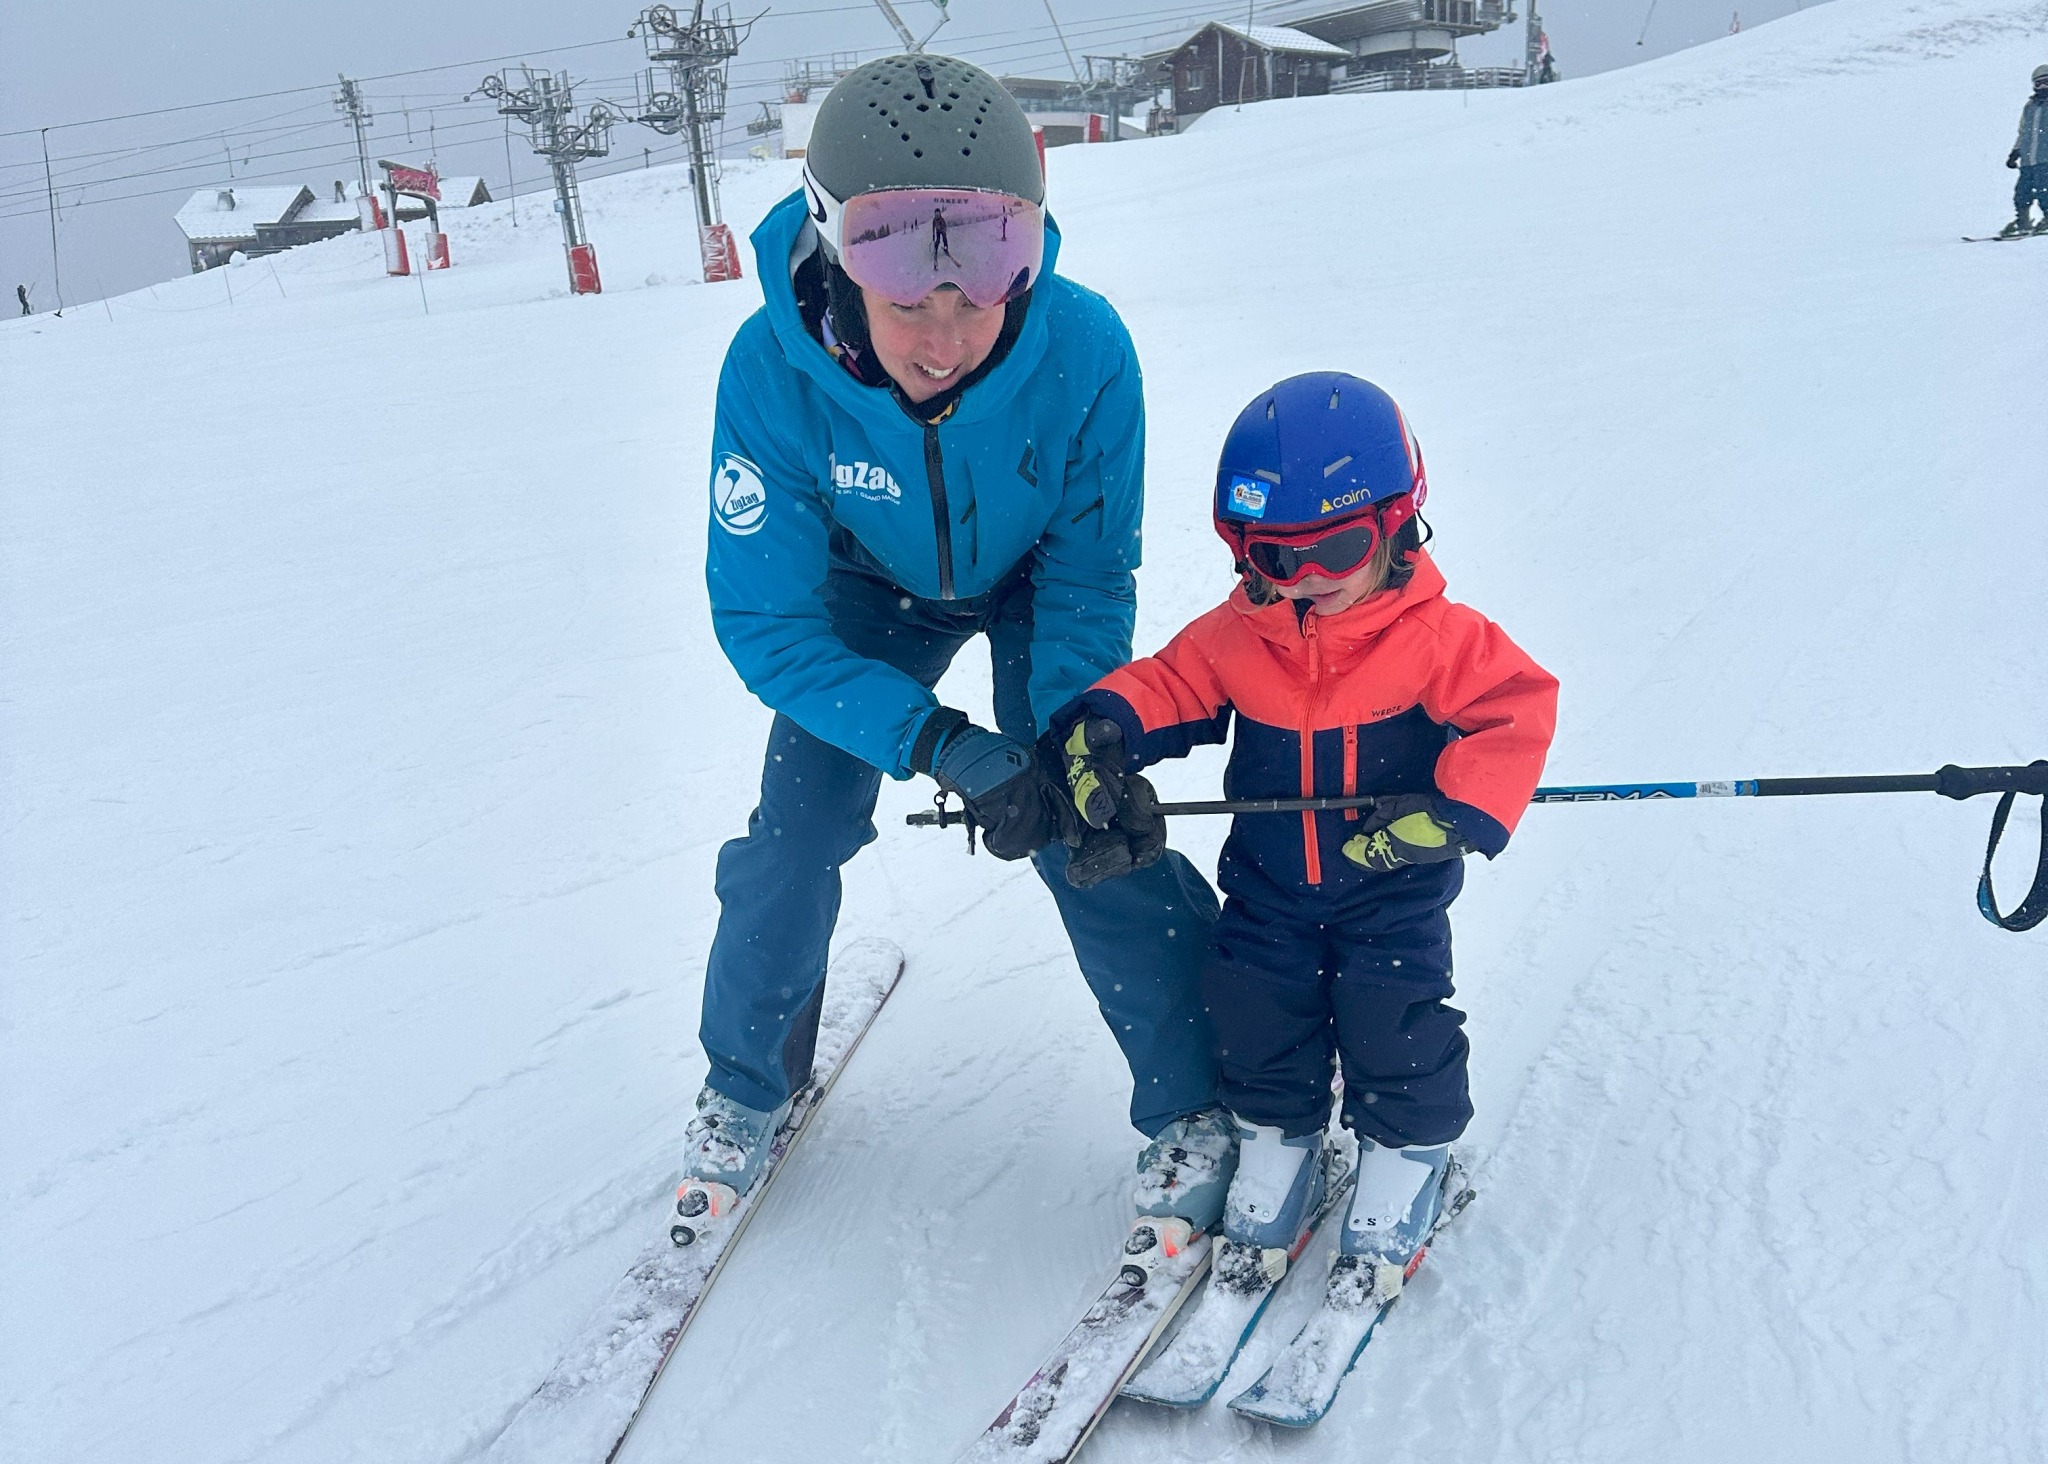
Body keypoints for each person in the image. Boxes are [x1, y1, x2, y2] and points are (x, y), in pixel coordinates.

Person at [684, 54, 1234, 1233]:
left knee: (1082, 817)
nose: (944, 341)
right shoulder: (769, 375)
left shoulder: (1085, 351)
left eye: (974, 300)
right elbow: (767, 622)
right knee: (796, 838)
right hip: (865, 593)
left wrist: (1067, 740)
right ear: (838, 260)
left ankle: (1199, 1093)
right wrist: (935, 741)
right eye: (904, 306)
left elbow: (1088, 571)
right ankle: (744, 1085)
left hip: (1035, 581)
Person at [1051, 372, 1557, 1303]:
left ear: (1400, 524)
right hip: (1270, 885)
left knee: (1391, 1017)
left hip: (1390, 888)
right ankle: (1278, 1143)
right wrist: (1106, 727)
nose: (1309, 576)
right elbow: (1170, 683)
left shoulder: (1440, 639)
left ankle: (1407, 1155)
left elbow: (1516, 711)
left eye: (1339, 546)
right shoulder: (1241, 636)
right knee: (1255, 1012)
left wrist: (1449, 812)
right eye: (1277, 558)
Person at [2003, 64, 2048, 237]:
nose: (2043, 87)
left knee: (2045, 191)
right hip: (2029, 160)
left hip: (2046, 159)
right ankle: (2023, 221)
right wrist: (2015, 152)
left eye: (2046, 83)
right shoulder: (2030, 106)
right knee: (2022, 192)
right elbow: (2023, 132)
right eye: (2039, 84)